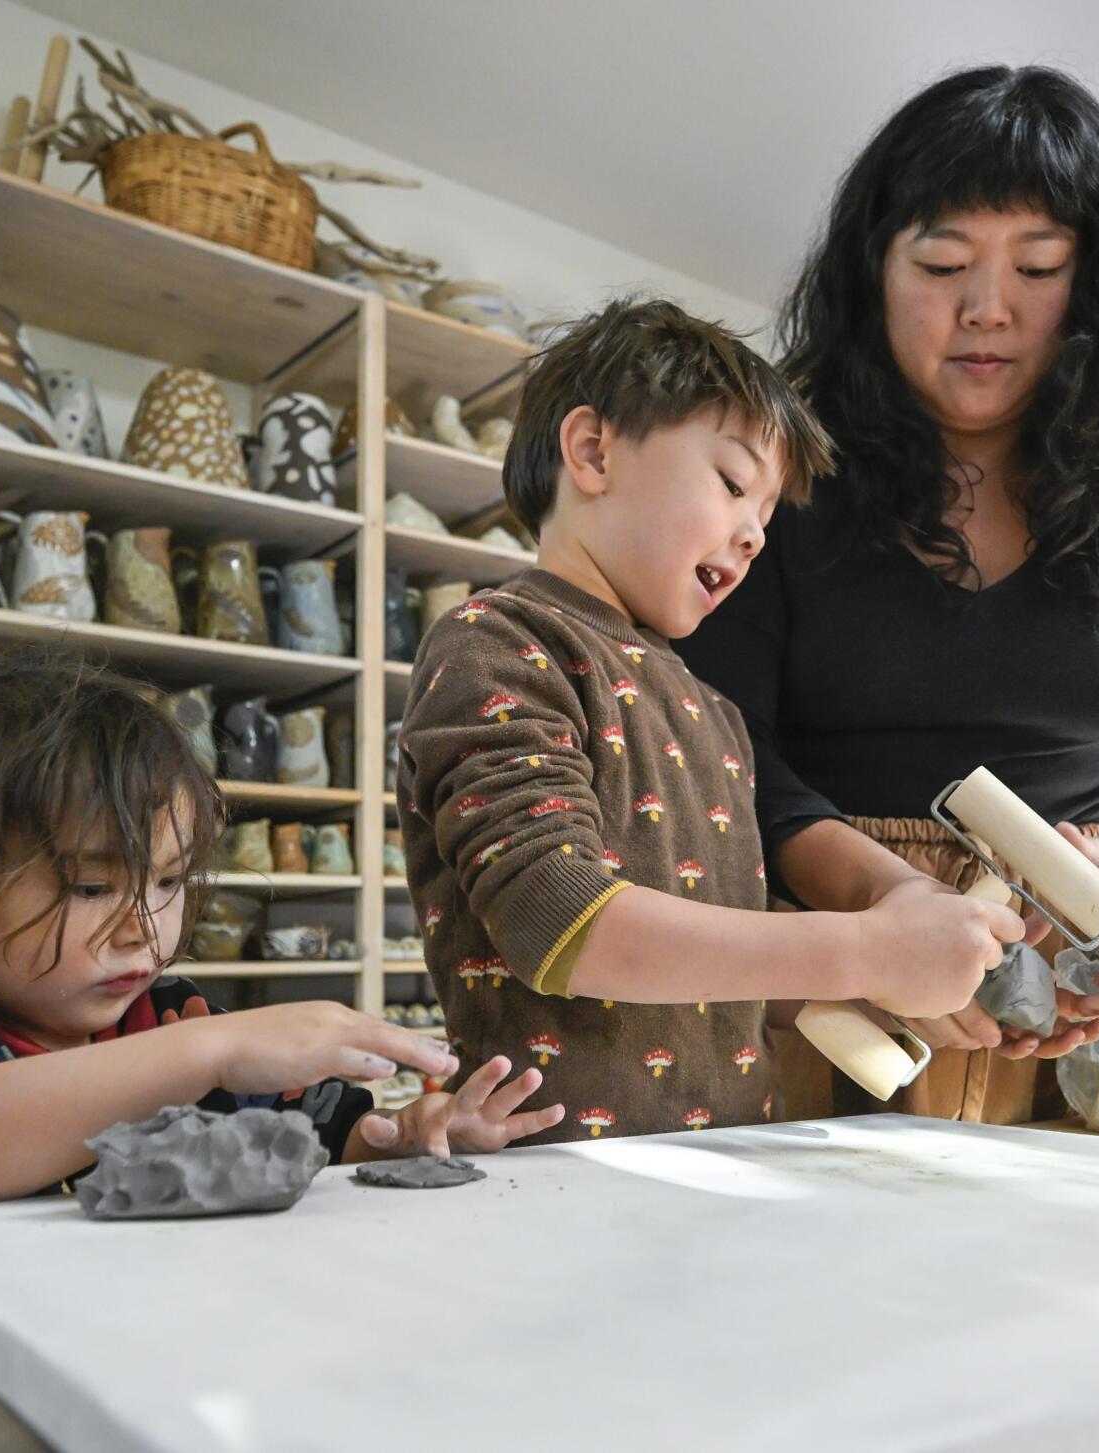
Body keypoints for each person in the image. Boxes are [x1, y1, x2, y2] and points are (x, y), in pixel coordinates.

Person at [679, 65, 1099, 1124]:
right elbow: (716, 747)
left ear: (1093, 282)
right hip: (821, 975)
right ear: (870, 273)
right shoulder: (777, 475)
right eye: (939, 264)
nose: (985, 310)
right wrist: (880, 909)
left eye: (1037, 266)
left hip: (1068, 990)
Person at [397, 298, 1024, 1141]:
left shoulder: (716, 714)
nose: (757, 536)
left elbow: (723, 967)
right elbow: (557, 917)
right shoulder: (498, 643)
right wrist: (863, 948)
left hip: (716, 1157)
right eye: (732, 483)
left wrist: (883, 986)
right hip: (552, 1171)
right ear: (591, 451)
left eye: (766, 516)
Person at [0, 646, 556, 1280]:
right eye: (92, 885)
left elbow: (326, 1136)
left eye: (168, 881)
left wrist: (407, 1137)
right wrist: (213, 1050)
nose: (145, 926)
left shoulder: (163, 1016)